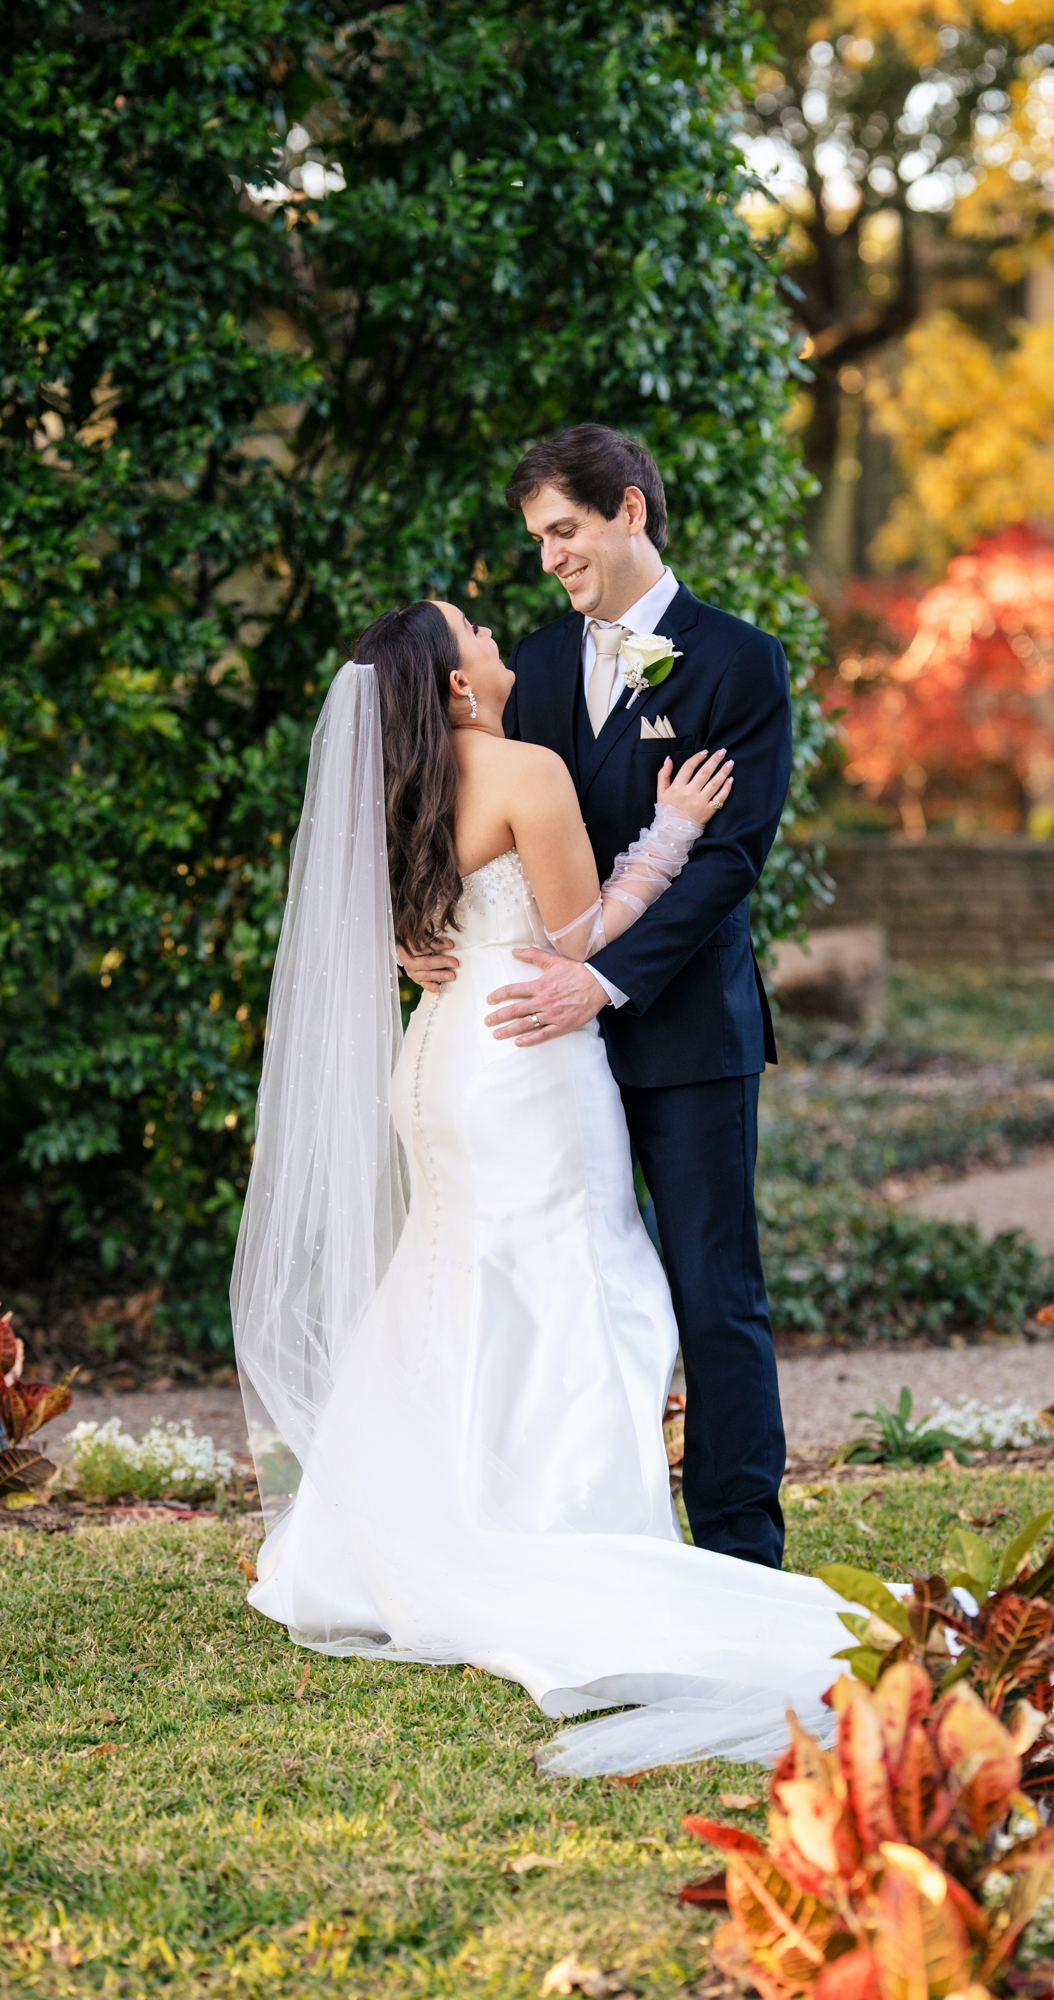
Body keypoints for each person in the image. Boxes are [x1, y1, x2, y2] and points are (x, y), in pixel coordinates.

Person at [232, 596, 845, 1776]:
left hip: (440, 1062)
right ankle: (565, 1525)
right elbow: (579, 941)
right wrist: (669, 831)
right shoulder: (524, 770)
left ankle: (408, 1529)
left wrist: (421, 945)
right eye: (475, 635)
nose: (499, 641)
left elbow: (407, 926)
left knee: (455, 1282)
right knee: (583, 1288)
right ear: (457, 685)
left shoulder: (396, 787)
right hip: (527, 1065)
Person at [397, 425, 792, 1572]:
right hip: (534, 1052)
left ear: (628, 510)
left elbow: (732, 858)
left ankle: (735, 1551)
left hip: (681, 1031)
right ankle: (569, 1533)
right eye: (536, 540)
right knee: (543, 1285)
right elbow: (468, 826)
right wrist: (409, 927)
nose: (548, 559)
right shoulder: (530, 656)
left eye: (561, 531)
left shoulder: (737, 659)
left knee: (711, 1290)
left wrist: (601, 978)